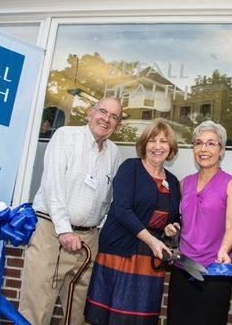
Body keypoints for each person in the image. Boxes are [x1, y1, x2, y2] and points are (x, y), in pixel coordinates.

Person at [19, 97, 123, 325]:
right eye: (102, 112)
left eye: (114, 116)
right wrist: (64, 230)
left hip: (88, 241)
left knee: (75, 317)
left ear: (118, 124)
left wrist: (99, 229)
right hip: (52, 233)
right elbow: (52, 187)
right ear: (89, 113)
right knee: (37, 310)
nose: (106, 119)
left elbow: (109, 198)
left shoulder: (114, 153)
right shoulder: (66, 136)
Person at [84, 119, 181, 325]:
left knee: (140, 319)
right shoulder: (131, 168)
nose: (157, 146)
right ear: (144, 144)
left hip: (149, 259)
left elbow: (169, 218)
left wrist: (170, 228)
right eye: (152, 140)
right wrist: (153, 241)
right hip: (121, 252)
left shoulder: (172, 181)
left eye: (163, 141)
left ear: (170, 147)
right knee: (111, 318)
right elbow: (122, 210)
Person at [166, 120, 232, 325]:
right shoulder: (185, 183)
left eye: (211, 143)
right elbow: (184, 222)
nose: (203, 149)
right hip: (183, 268)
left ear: (222, 150)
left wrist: (224, 250)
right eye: (198, 143)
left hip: (214, 271)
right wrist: (173, 228)